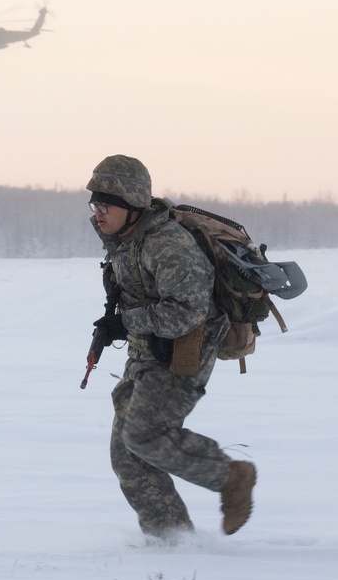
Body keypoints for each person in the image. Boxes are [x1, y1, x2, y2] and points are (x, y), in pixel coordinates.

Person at [86, 154, 257, 541]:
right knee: (127, 454)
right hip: (147, 349)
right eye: (94, 205)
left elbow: (188, 313)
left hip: (185, 350)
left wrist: (126, 322)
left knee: (145, 435)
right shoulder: (125, 240)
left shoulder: (169, 245)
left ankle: (231, 477)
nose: (98, 214)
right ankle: (171, 542)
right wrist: (115, 326)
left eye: (105, 206)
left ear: (131, 206)